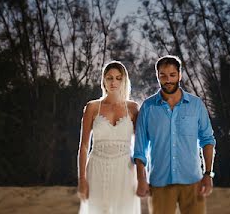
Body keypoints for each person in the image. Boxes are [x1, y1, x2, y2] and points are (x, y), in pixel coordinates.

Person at [133, 55, 216, 214]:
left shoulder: (196, 105)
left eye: (172, 75)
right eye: (162, 76)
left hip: (193, 182)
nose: (168, 80)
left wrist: (208, 174)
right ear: (157, 77)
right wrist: (141, 179)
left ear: (179, 75)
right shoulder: (148, 107)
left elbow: (207, 140)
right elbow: (139, 148)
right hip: (160, 183)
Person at [77, 60, 141, 214]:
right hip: (97, 169)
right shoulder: (92, 107)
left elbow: (140, 146)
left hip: (125, 170)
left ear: (124, 80)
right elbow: (84, 146)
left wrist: (141, 177)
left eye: (118, 78)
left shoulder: (133, 108)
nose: (114, 82)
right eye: (109, 78)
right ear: (103, 80)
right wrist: (82, 179)